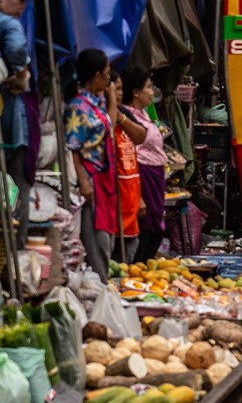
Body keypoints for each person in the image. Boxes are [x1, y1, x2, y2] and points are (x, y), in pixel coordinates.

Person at [0, 0, 45, 243]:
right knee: (18, 184)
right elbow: (17, 50)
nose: (23, 6)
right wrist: (20, 73)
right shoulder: (8, 23)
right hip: (13, 122)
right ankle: (17, 246)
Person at [66, 49, 122, 279]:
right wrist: (82, 180)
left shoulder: (97, 103)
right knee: (95, 237)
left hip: (105, 179)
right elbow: (73, 148)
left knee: (106, 237)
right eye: (107, 74)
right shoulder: (78, 107)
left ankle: (102, 282)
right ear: (96, 76)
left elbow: (108, 126)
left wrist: (110, 98)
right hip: (90, 178)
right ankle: (99, 285)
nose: (109, 79)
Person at [121, 66, 169, 263]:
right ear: (135, 92)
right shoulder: (128, 116)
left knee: (155, 224)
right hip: (143, 174)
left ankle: (143, 268)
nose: (152, 92)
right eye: (148, 87)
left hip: (154, 174)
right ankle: (138, 266)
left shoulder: (144, 114)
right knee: (147, 225)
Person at [111, 69, 146, 242]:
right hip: (113, 196)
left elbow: (140, 136)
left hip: (131, 193)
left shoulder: (124, 113)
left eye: (120, 89)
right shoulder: (99, 115)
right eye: (116, 89)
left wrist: (122, 119)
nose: (119, 94)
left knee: (132, 243)